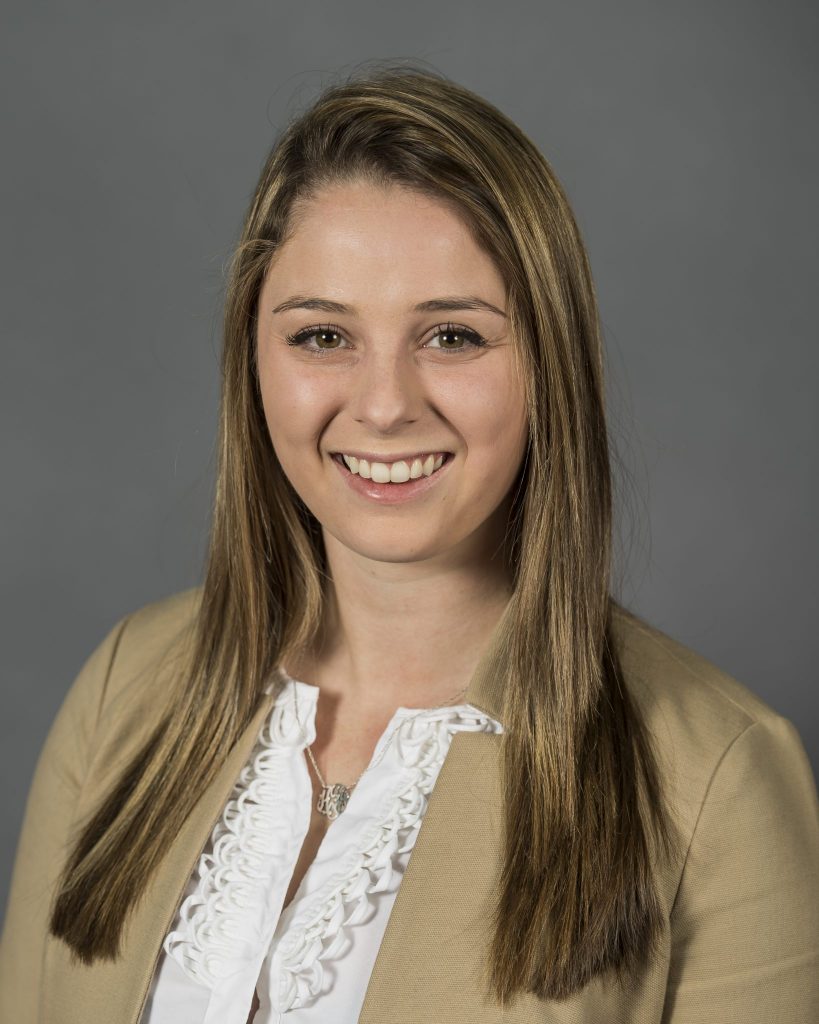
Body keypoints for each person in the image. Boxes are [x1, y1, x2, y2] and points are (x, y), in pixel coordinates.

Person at [1, 63, 817, 1024]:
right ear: (251, 360)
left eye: (454, 338)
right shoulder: (123, 691)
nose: (383, 406)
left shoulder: (719, 777)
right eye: (320, 336)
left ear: (548, 365)